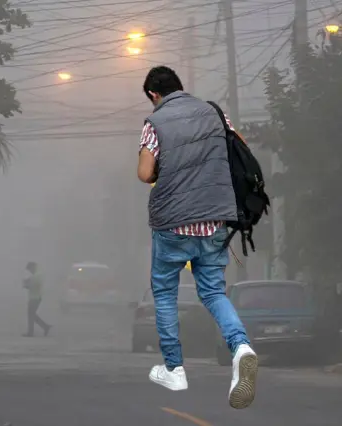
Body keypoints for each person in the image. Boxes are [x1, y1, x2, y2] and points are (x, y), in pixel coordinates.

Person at [137, 66, 258, 409]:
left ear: (154, 95)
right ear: (180, 86)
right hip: (215, 220)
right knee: (213, 292)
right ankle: (242, 348)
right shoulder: (214, 113)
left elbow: (145, 172)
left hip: (173, 223)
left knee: (163, 293)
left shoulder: (155, 123)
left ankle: (174, 369)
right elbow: (240, 148)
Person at [22, 261, 51, 337]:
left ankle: (31, 332)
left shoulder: (36, 276)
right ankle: (45, 326)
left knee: (31, 315)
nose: (29, 271)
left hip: (35, 297)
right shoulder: (36, 275)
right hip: (35, 297)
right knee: (32, 315)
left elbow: (30, 286)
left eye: (30, 269)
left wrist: (26, 283)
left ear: (33, 267)